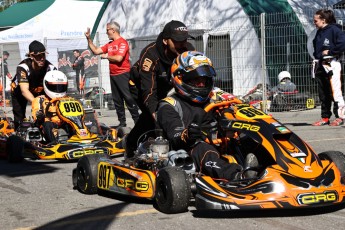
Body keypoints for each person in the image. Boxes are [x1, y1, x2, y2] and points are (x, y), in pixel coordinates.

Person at [156, 51, 245, 181]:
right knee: (204, 150)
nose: (202, 84)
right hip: (191, 150)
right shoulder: (169, 105)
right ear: (180, 78)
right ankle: (238, 176)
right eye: (196, 80)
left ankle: (276, 165)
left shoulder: (215, 97)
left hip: (222, 142)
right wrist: (188, 134)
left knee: (249, 138)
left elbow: (237, 110)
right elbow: (175, 136)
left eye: (204, 79)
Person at [124, 20, 195, 158]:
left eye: (184, 39)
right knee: (152, 118)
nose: (182, 44)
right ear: (165, 41)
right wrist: (156, 114)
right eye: (178, 41)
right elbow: (149, 91)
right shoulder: (150, 55)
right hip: (140, 86)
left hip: (167, 85)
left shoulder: (188, 50)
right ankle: (131, 143)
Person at [85, 21, 139, 127]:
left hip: (123, 74)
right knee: (117, 100)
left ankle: (138, 122)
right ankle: (122, 123)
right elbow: (96, 51)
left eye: (107, 30)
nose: (106, 32)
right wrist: (88, 39)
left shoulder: (122, 42)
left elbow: (119, 58)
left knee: (128, 98)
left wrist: (106, 56)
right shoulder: (109, 44)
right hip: (113, 75)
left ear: (113, 30)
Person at [11, 40, 57, 129]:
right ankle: (19, 134)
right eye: (38, 56)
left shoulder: (50, 67)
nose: (42, 58)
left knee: (46, 114)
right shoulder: (23, 67)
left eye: (43, 55)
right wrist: (37, 102)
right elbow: (24, 91)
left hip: (38, 90)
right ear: (31, 56)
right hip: (19, 92)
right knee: (20, 119)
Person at [312, 9, 345, 126]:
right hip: (321, 64)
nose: (314, 23)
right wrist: (318, 56)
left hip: (332, 64)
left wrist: (330, 51)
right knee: (323, 93)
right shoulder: (319, 32)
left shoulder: (335, 30)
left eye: (315, 20)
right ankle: (325, 117)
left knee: (335, 91)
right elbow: (315, 46)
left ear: (323, 20)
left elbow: (342, 44)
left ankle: (340, 116)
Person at [31, 70, 69, 144]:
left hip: (65, 123)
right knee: (47, 124)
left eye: (61, 87)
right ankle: (55, 144)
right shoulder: (39, 100)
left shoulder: (68, 99)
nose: (58, 90)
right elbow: (36, 116)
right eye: (54, 87)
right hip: (49, 128)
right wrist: (40, 115)